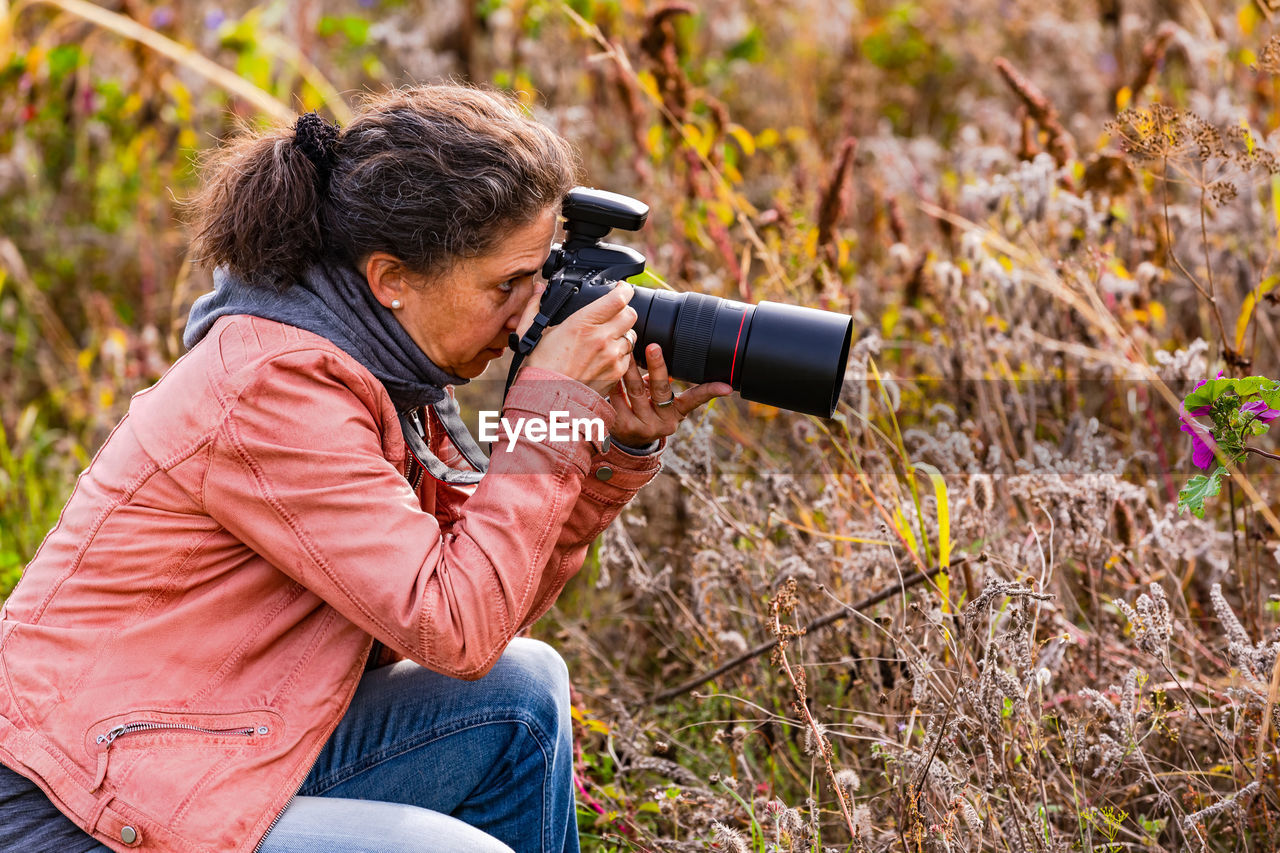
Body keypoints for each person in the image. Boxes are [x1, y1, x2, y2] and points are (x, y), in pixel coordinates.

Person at [0, 84, 731, 853]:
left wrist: (609, 454)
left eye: (537, 278)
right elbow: (455, 625)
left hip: (215, 736)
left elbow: (485, 597)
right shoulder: (275, 388)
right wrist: (550, 409)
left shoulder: (385, 365)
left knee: (522, 692)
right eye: (505, 285)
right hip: (74, 803)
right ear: (392, 279)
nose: (526, 317)